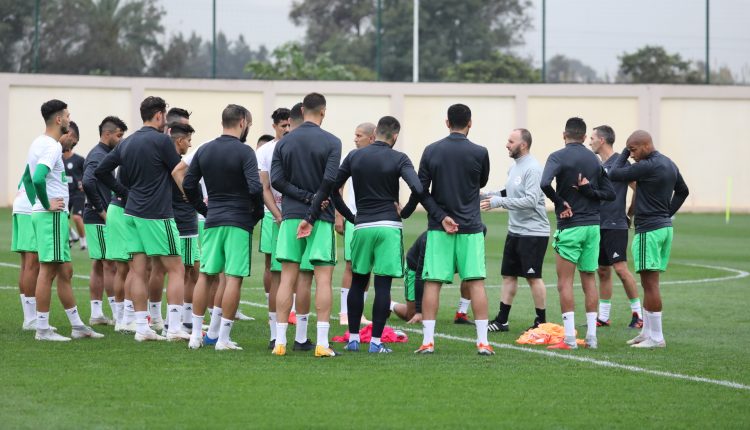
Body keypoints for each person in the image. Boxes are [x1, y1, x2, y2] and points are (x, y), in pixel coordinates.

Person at [321, 116, 422, 354]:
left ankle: (354, 339)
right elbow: (418, 188)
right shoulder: (400, 157)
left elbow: (332, 186)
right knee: (383, 284)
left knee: (358, 281)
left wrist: (348, 215)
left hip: (363, 225)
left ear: (375, 132)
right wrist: (404, 212)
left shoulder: (355, 156)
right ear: (395, 136)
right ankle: (376, 342)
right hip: (389, 225)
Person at [95, 96, 187, 342]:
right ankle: (175, 327)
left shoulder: (128, 142)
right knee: (177, 268)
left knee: (137, 271)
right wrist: (188, 194)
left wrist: (125, 192)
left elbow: (100, 171)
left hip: (131, 213)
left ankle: (142, 328)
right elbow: (178, 170)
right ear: (158, 115)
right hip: (157, 214)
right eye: (164, 116)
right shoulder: (162, 141)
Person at [407, 103, 494, 355]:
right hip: (471, 228)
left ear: (447, 123)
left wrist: (442, 216)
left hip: (439, 228)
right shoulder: (480, 152)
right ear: (470, 123)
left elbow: (421, 191)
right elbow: (482, 182)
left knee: (433, 282)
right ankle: (482, 342)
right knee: (476, 282)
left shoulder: (431, 150)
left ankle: (428, 341)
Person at [184, 104, 263, 351]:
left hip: (213, 220)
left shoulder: (204, 149)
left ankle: (196, 336)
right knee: (233, 279)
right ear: (242, 122)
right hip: (238, 220)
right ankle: (223, 339)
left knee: (206, 276)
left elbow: (188, 183)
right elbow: (255, 187)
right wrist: (256, 214)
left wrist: (204, 208)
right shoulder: (245, 151)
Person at [270, 93, 341, 357]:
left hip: (290, 218)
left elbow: (276, 181)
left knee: (287, 279)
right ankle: (321, 343)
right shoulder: (333, 142)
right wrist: (313, 208)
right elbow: (329, 181)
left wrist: (303, 200)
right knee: (323, 279)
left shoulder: (284, 143)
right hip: (320, 219)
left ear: (301, 109)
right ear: (323, 111)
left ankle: (280, 342)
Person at [26, 99, 102, 341]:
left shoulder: (38, 142)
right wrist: (47, 203)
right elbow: (37, 178)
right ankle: (42, 329)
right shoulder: (52, 146)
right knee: (47, 272)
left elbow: (31, 179)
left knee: (65, 270)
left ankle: (77, 325)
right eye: (67, 115)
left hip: (46, 217)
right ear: (59, 119)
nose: (70, 119)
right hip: (51, 217)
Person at [608, 130, 689, 348]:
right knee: (648, 283)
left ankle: (657, 337)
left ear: (645, 145)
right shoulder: (669, 163)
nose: (631, 155)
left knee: (650, 284)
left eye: (633, 150)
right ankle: (647, 332)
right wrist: (667, 213)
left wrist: (623, 151)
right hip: (663, 229)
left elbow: (614, 173)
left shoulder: (648, 165)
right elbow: (683, 191)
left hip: (649, 231)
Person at [540, 117, 615, 350]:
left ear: (564, 135)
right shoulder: (593, 160)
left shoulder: (557, 156)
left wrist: (560, 202)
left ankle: (570, 339)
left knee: (564, 283)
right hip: (593, 227)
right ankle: (592, 337)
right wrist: (588, 189)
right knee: (589, 280)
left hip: (570, 225)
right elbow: (610, 193)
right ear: (583, 137)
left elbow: (544, 184)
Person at [481, 128, 550, 333]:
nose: (507, 144)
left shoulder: (534, 169)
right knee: (508, 275)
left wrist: (498, 202)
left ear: (524, 145)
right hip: (515, 231)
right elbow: (508, 190)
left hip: (534, 233)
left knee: (532, 277)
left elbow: (530, 201)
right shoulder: (514, 168)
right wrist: (488, 195)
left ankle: (541, 322)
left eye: (511, 141)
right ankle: (502, 320)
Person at [588, 125, 643, 329]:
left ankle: (638, 314)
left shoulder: (621, 163)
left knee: (620, 269)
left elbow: (637, 187)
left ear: (602, 140)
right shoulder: (598, 165)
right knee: (603, 270)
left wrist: (630, 212)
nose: (589, 141)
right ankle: (603, 316)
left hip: (616, 225)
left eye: (592, 138)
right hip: (598, 224)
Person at [82, 116, 128, 327]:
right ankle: (117, 314)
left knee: (100, 264)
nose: (121, 140)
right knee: (109, 264)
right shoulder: (98, 155)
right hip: (98, 217)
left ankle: (97, 313)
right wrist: (101, 210)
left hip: (95, 217)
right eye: (119, 135)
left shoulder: (103, 154)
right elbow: (88, 181)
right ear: (107, 134)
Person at [256, 108, 291, 349]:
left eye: (290, 126)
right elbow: (263, 186)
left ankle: (296, 331)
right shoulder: (265, 151)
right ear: (274, 127)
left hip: (295, 215)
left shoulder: (296, 147)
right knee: (273, 268)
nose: (287, 130)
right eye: (282, 126)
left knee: (295, 271)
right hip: (272, 216)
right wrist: (277, 214)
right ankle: (273, 328)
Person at [336, 122, 375, 327]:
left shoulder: (379, 157)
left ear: (371, 138)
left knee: (366, 267)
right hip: (354, 217)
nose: (355, 138)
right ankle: (344, 312)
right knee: (351, 265)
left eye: (359, 135)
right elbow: (338, 186)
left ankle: (358, 313)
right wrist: (338, 215)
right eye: (355, 134)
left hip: (373, 219)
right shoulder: (350, 157)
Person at [167, 123, 200, 334]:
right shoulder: (177, 166)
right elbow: (186, 191)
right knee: (190, 271)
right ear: (180, 141)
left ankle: (174, 320)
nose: (190, 144)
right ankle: (180, 321)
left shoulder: (165, 161)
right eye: (188, 140)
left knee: (179, 271)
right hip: (185, 222)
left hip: (173, 220)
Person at [62, 122, 86, 250]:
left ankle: (83, 241)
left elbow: (87, 174)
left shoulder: (79, 160)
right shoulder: (57, 158)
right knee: (62, 218)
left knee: (76, 217)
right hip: (64, 193)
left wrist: (84, 184)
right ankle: (73, 235)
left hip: (77, 193)